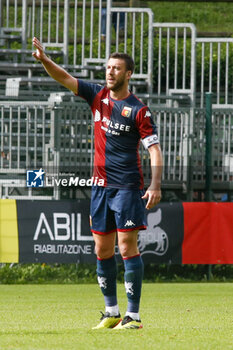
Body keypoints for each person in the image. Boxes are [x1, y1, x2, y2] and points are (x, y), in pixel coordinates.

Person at [32, 37, 163, 330]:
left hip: (128, 187)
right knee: (102, 250)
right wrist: (44, 60)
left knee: (127, 247)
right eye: (108, 68)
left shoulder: (139, 109)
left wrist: (154, 184)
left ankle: (134, 316)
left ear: (128, 74)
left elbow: (154, 148)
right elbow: (64, 78)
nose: (110, 72)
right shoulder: (97, 96)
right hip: (100, 187)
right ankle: (111, 312)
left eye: (116, 68)